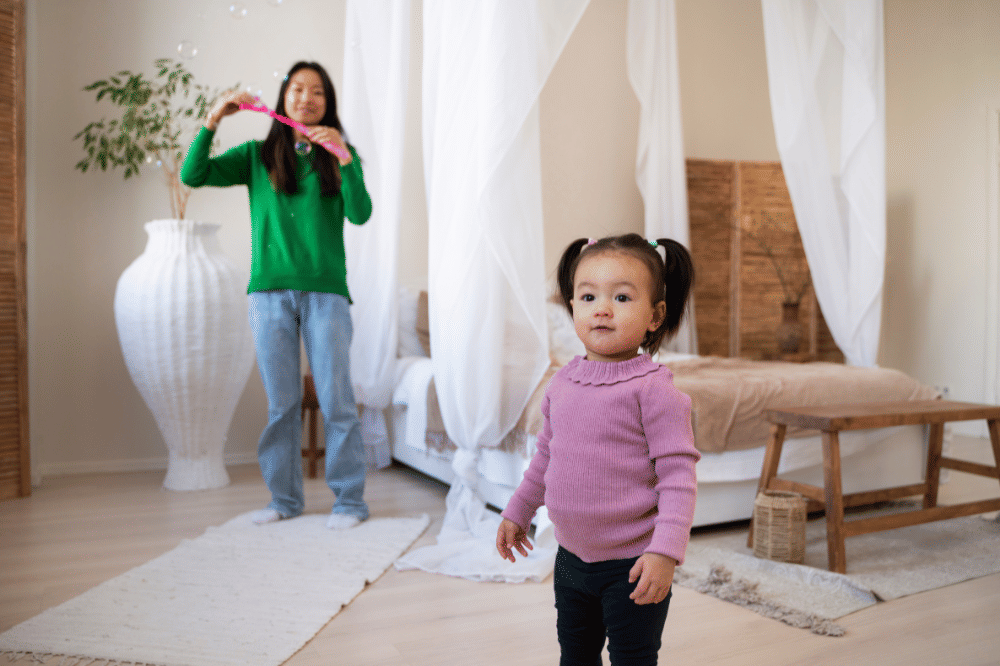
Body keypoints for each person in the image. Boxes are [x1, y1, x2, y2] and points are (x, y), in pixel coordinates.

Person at [180, 61, 372, 530]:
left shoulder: (340, 156)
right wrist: (213, 119)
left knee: (338, 402)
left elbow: (361, 213)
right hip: (268, 296)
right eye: (298, 89)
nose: (307, 98)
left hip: (327, 295)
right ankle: (284, 501)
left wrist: (345, 159)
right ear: (284, 98)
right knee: (281, 406)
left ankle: (350, 503)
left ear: (328, 103)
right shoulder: (256, 156)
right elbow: (192, 174)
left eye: (317, 92)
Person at [496, 233, 700, 666]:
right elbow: (545, 459)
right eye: (588, 297)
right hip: (570, 558)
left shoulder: (655, 391)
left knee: (632, 658)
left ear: (655, 315)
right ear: (572, 306)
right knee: (575, 655)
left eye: (622, 297)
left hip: (633, 563)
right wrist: (518, 510)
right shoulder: (561, 384)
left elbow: (678, 479)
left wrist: (665, 551)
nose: (602, 309)